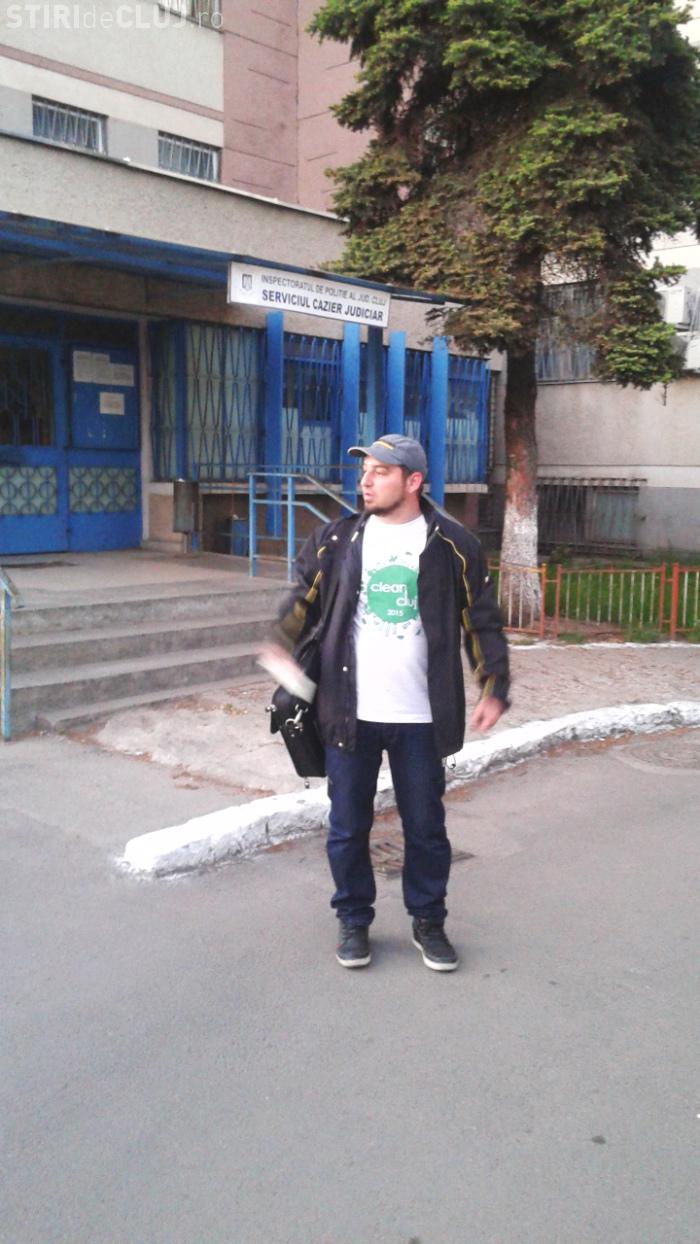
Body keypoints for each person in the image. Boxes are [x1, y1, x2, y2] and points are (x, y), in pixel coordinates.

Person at [264, 434, 510, 972]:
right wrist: (281, 644)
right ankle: (354, 919)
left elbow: (481, 619)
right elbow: (303, 597)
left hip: (420, 717)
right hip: (348, 712)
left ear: (413, 481)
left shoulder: (454, 545)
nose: (365, 481)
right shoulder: (337, 539)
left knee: (426, 828)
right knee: (347, 827)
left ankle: (428, 921)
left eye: (380, 472)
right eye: (365, 471)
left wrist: (493, 685)